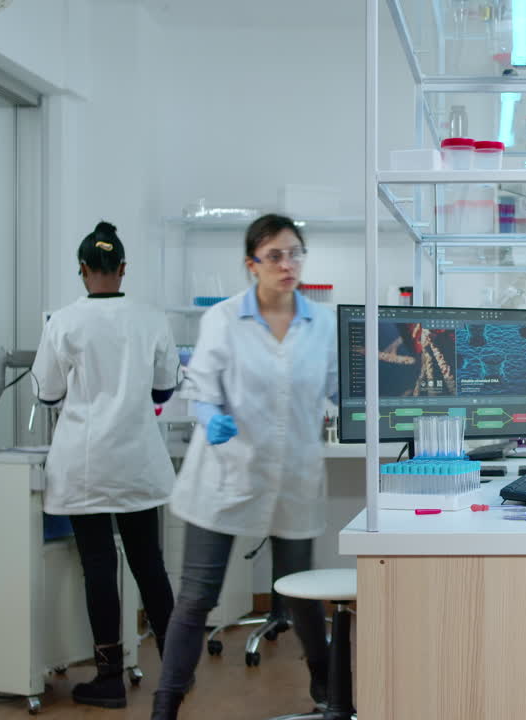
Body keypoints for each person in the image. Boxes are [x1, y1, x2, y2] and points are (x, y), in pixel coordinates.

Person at [151, 214, 337, 719]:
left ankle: (326, 685)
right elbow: (201, 390)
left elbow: (338, 389)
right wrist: (210, 416)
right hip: (225, 476)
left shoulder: (322, 324)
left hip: (292, 476)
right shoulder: (224, 319)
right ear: (251, 264)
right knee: (195, 599)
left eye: (295, 253)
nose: (287, 264)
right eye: (274, 255)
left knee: (301, 595)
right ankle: (165, 704)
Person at [31, 221, 178, 709]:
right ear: (122, 269)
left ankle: (109, 677)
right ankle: (177, 671)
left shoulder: (63, 322)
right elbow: (163, 390)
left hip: (86, 462)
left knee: (98, 564)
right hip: (137, 461)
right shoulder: (151, 318)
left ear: (81, 271)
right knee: (148, 564)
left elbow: (47, 392)